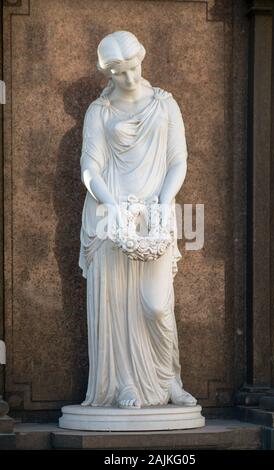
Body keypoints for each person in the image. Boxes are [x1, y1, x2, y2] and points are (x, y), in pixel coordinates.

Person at [79, 31, 197, 408]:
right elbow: (89, 166)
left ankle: (169, 380)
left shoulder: (165, 105)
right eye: (119, 73)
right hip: (110, 216)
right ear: (108, 74)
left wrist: (164, 201)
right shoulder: (99, 112)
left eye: (133, 68)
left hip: (155, 214)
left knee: (156, 304)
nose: (129, 78)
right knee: (118, 303)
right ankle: (122, 383)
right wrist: (112, 205)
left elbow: (178, 159)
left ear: (141, 60)